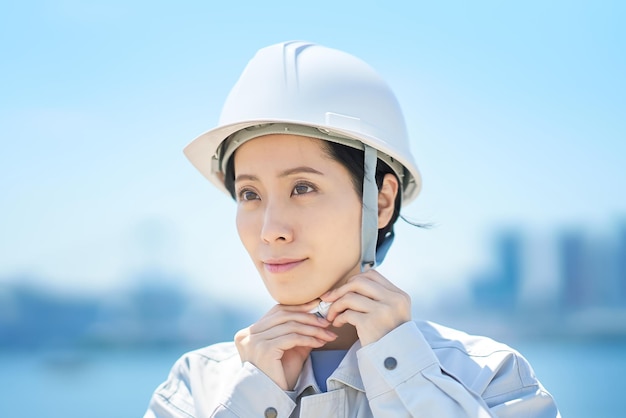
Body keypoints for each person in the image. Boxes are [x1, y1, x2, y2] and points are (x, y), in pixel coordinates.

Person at [144, 41, 560, 417]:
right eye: (250, 194)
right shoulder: (194, 387)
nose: (270, 231)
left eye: (302, 187)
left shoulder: (491, 377)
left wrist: (406, 375)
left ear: (381, 201)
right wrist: (254, 397)